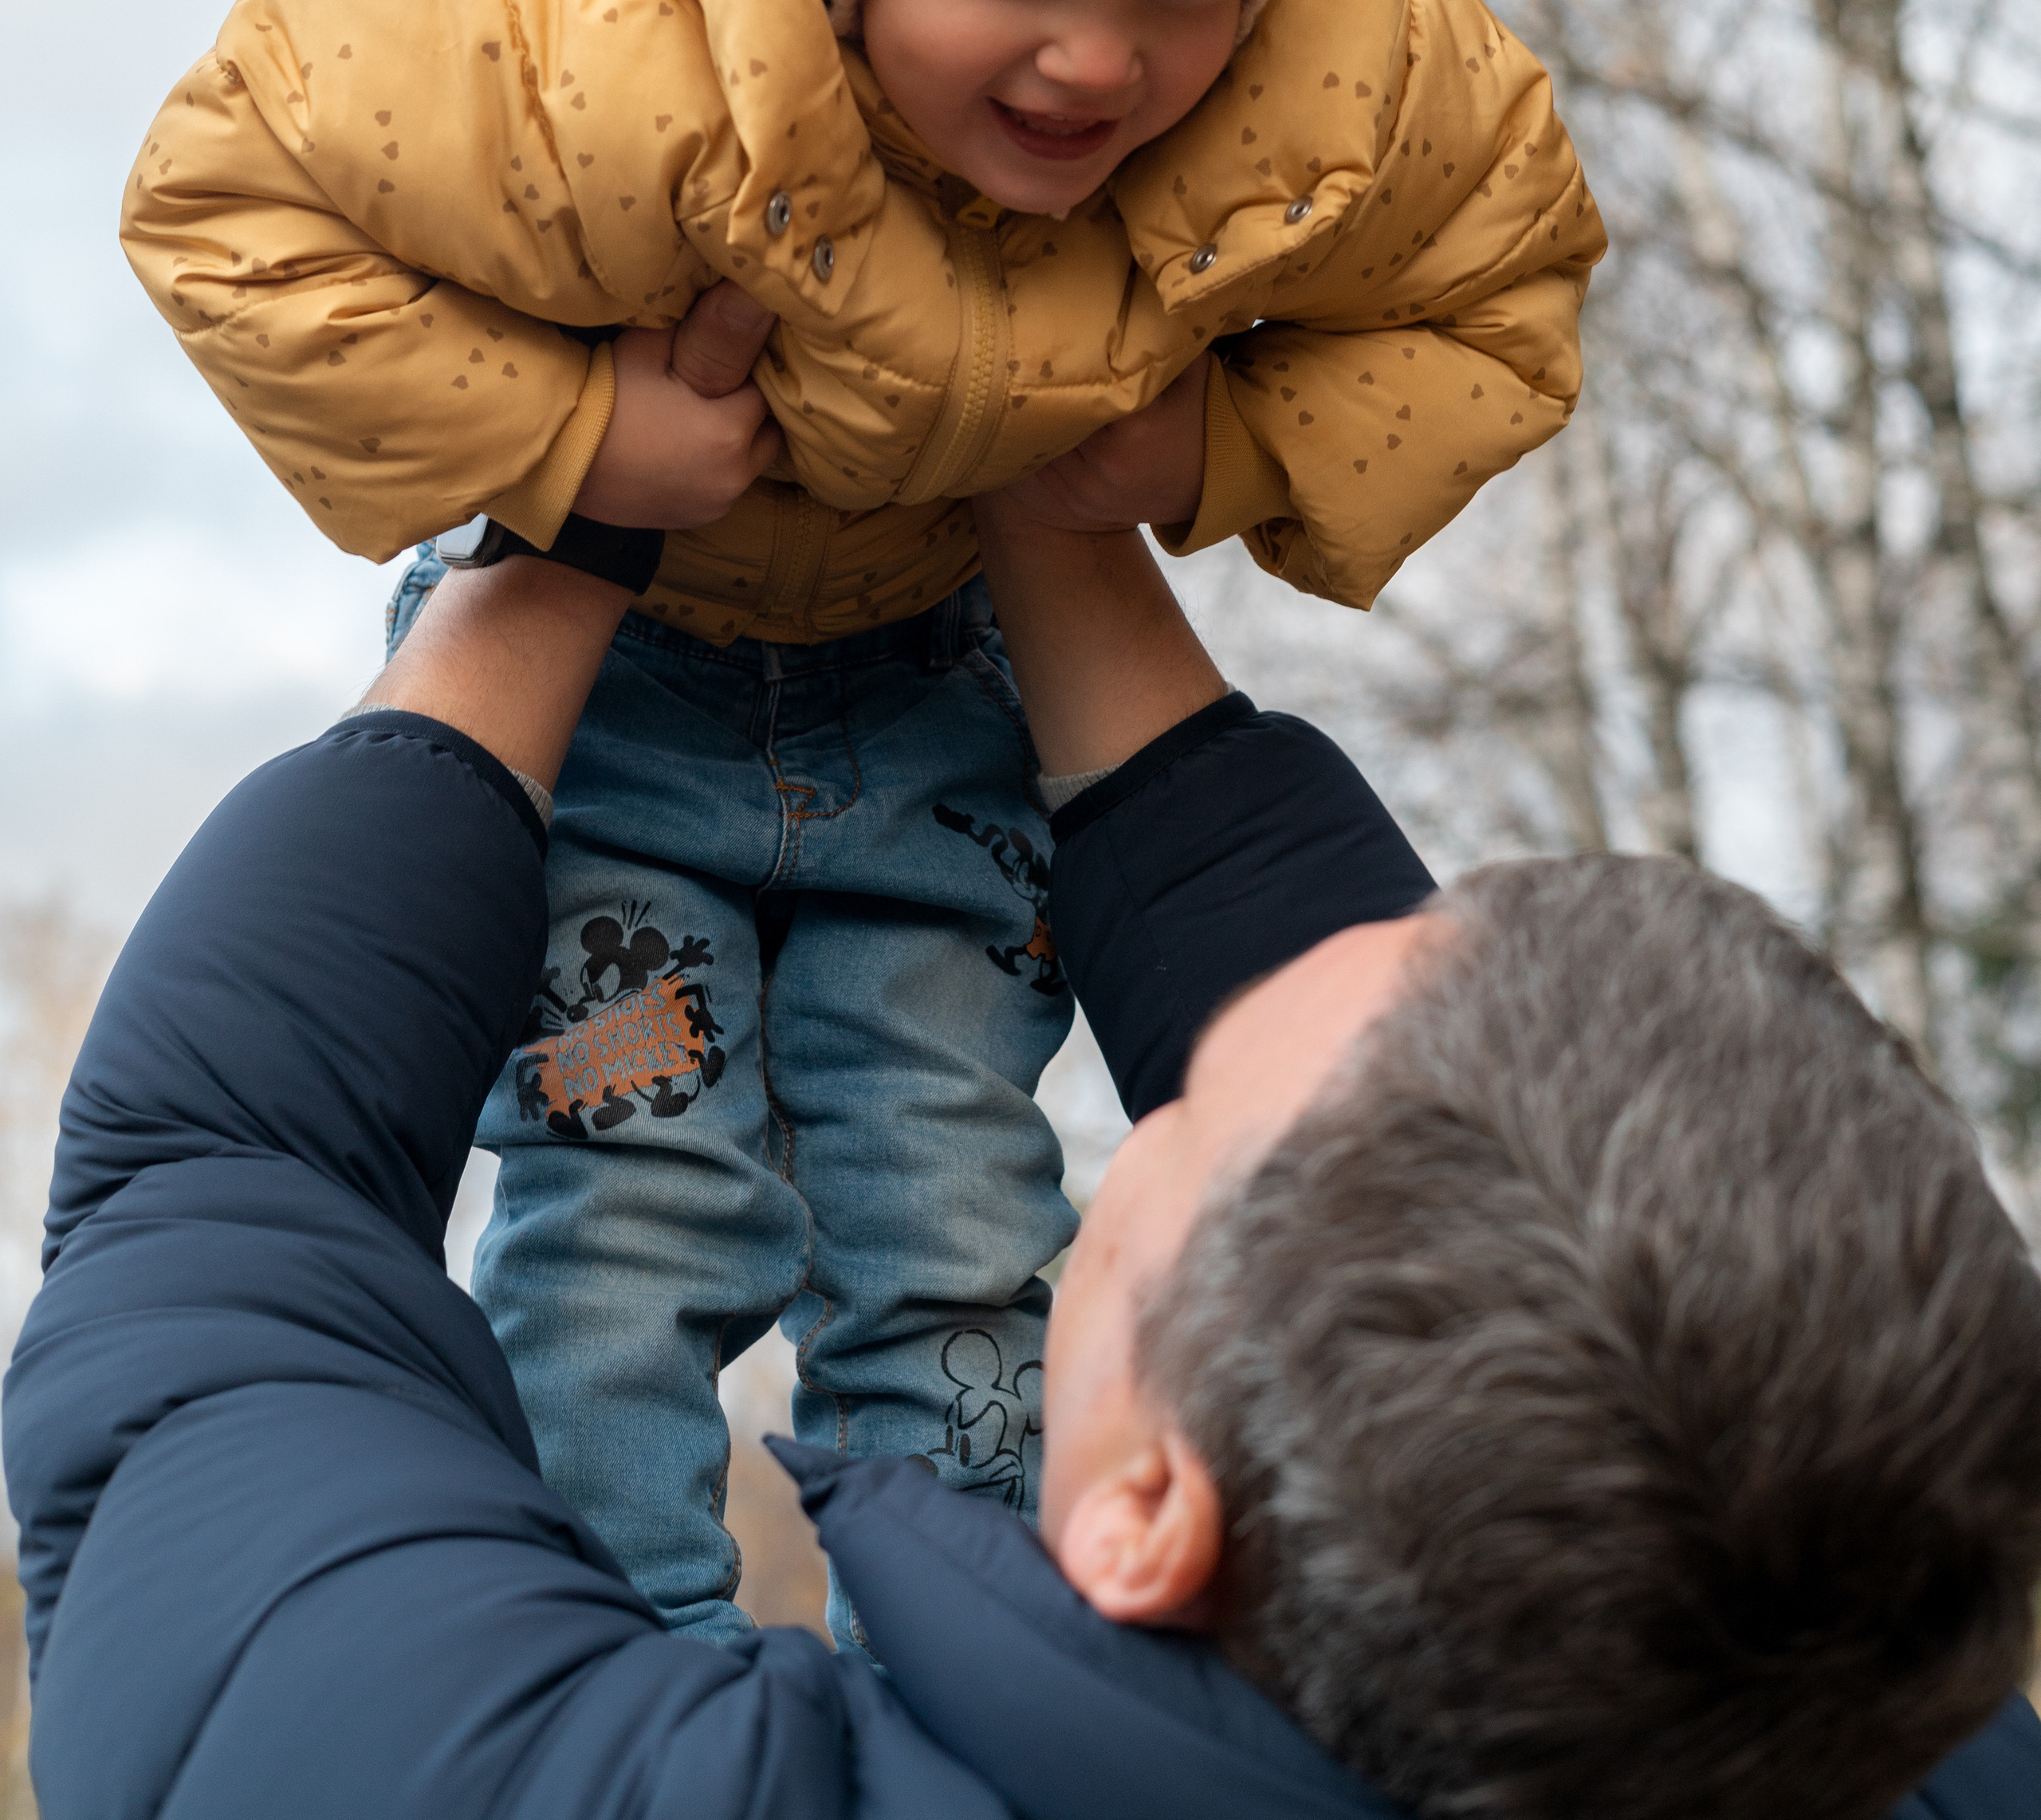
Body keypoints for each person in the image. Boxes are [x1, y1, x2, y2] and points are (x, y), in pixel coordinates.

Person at [117, 0, 1606, 1633]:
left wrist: (1212, 461)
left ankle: (976, 1695)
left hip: (952, 697)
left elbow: (1506, 293)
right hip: (620, 693)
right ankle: (603, 1681)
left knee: (955, 1215)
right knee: (630, 1214)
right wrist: (576, 442)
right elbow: (229, 208)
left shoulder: (1337, 71)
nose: (1095, 62)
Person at [5, 510, 2037, 1820]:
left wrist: (557, 550)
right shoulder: (1853, 1684)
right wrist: (1044, 497)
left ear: (1152, 1506)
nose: (1176, 1060)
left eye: (1188, 1111)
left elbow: (216, 1204)